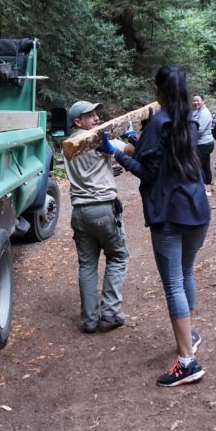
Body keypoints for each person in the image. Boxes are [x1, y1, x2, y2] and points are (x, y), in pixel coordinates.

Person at [101, 65, 211, 387]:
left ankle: (187, 362)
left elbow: (147, 172)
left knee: (174, 284)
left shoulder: (159, 122)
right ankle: (188, 335)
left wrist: (113, 152)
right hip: (197, 211)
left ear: (158, 90)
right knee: (186, 274)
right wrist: (134, 140)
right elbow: (158, 155)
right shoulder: (188, 122)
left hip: (169, 213)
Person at [65, 101, 130, 334]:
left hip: (79, 212)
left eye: (96, 115)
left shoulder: (68, 145)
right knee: (118, 256)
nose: (96, 119)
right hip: (103, 209)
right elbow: (131, 151)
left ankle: (90, 320)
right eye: (90, 116)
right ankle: (110, 312)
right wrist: (127, 139)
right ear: (77, 121)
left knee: (87, 265)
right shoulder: (95, 139)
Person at [191, 94, 215, 194]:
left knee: (197, 166)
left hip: (204, 144)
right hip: (202, 144)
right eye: (194, 101)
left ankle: (203, 189)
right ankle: (207, 189)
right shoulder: (197, 112)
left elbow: (199, 130)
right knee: (205, 166)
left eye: (198, 100)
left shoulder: (204, 113)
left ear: (203, 101)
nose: (196, 103)